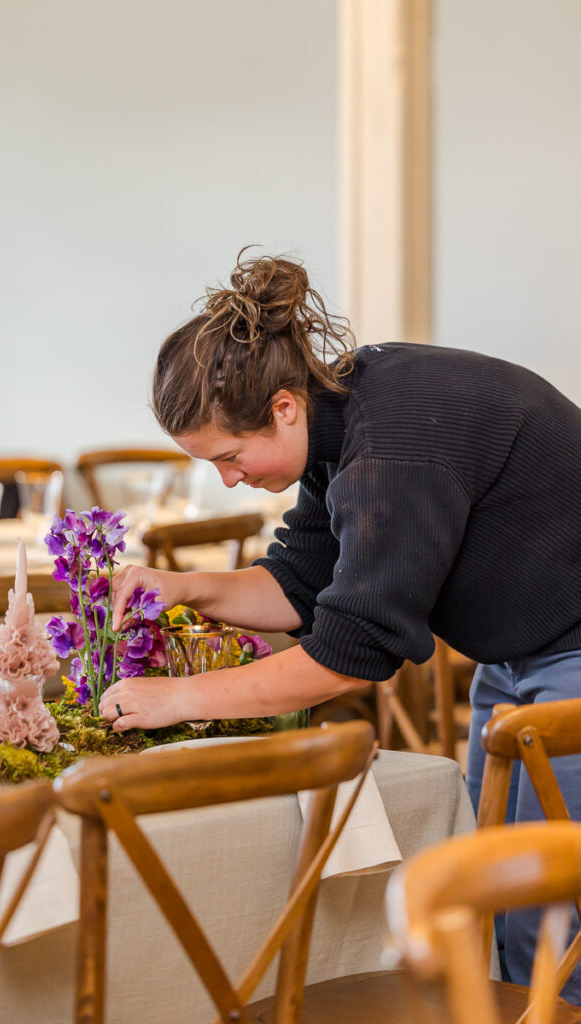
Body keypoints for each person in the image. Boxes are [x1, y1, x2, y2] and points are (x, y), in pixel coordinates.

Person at [101, 250, 581, 995]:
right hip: (516, 654)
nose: (229, 480)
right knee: (496, 897)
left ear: (283, 407)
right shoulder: (345, 414)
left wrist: (180, 697)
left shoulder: (391, 445)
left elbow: (347, 653)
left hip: (571, 650)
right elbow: (300, 583)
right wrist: (181, 586)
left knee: (550, 919)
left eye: (230, 457)